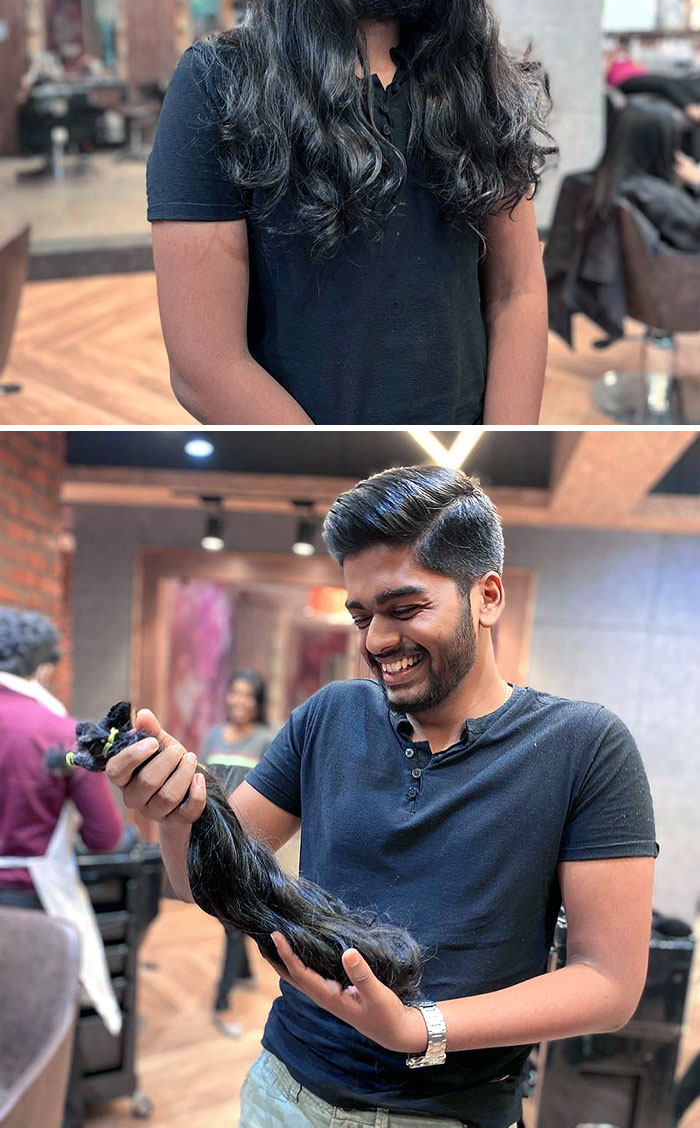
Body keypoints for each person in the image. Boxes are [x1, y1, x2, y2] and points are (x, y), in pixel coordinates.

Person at [105, 467, 657, 1128]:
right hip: (286, 1095)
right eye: (362, 616)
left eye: (405, 609)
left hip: (454, 1114)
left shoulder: (585, 747)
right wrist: (176, 814)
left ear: (486, 597)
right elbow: (203, 886)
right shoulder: (330, 716)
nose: (375, 641)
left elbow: (608, 982)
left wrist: (418, 1029)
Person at [147, 0, 555, 428]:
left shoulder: (472, 76)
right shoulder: (220, 80)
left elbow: (516, 290)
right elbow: (206, 365)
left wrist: (503, 442)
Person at [0, 607, 125, 1128]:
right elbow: (105, 836)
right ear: (44, 666)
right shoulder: (57, 731)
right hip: (32, 908)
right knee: (44, 1049)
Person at [545, 96, 700, 347]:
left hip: (633, 295)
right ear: (663, 146)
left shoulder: (582, 186)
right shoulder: (657, 197)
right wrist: (696, 181)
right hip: (676, 296)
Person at [201, 669, 274, 1037]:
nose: (239, 701)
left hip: (245, 845)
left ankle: (222, 1001)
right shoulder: (213, 735)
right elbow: (201, 782)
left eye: (248, 695)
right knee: (232, 913)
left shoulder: (265, 739)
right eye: (235, 692)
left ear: (258, 703)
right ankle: (244, 970)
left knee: (232, 918)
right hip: (212, 837)